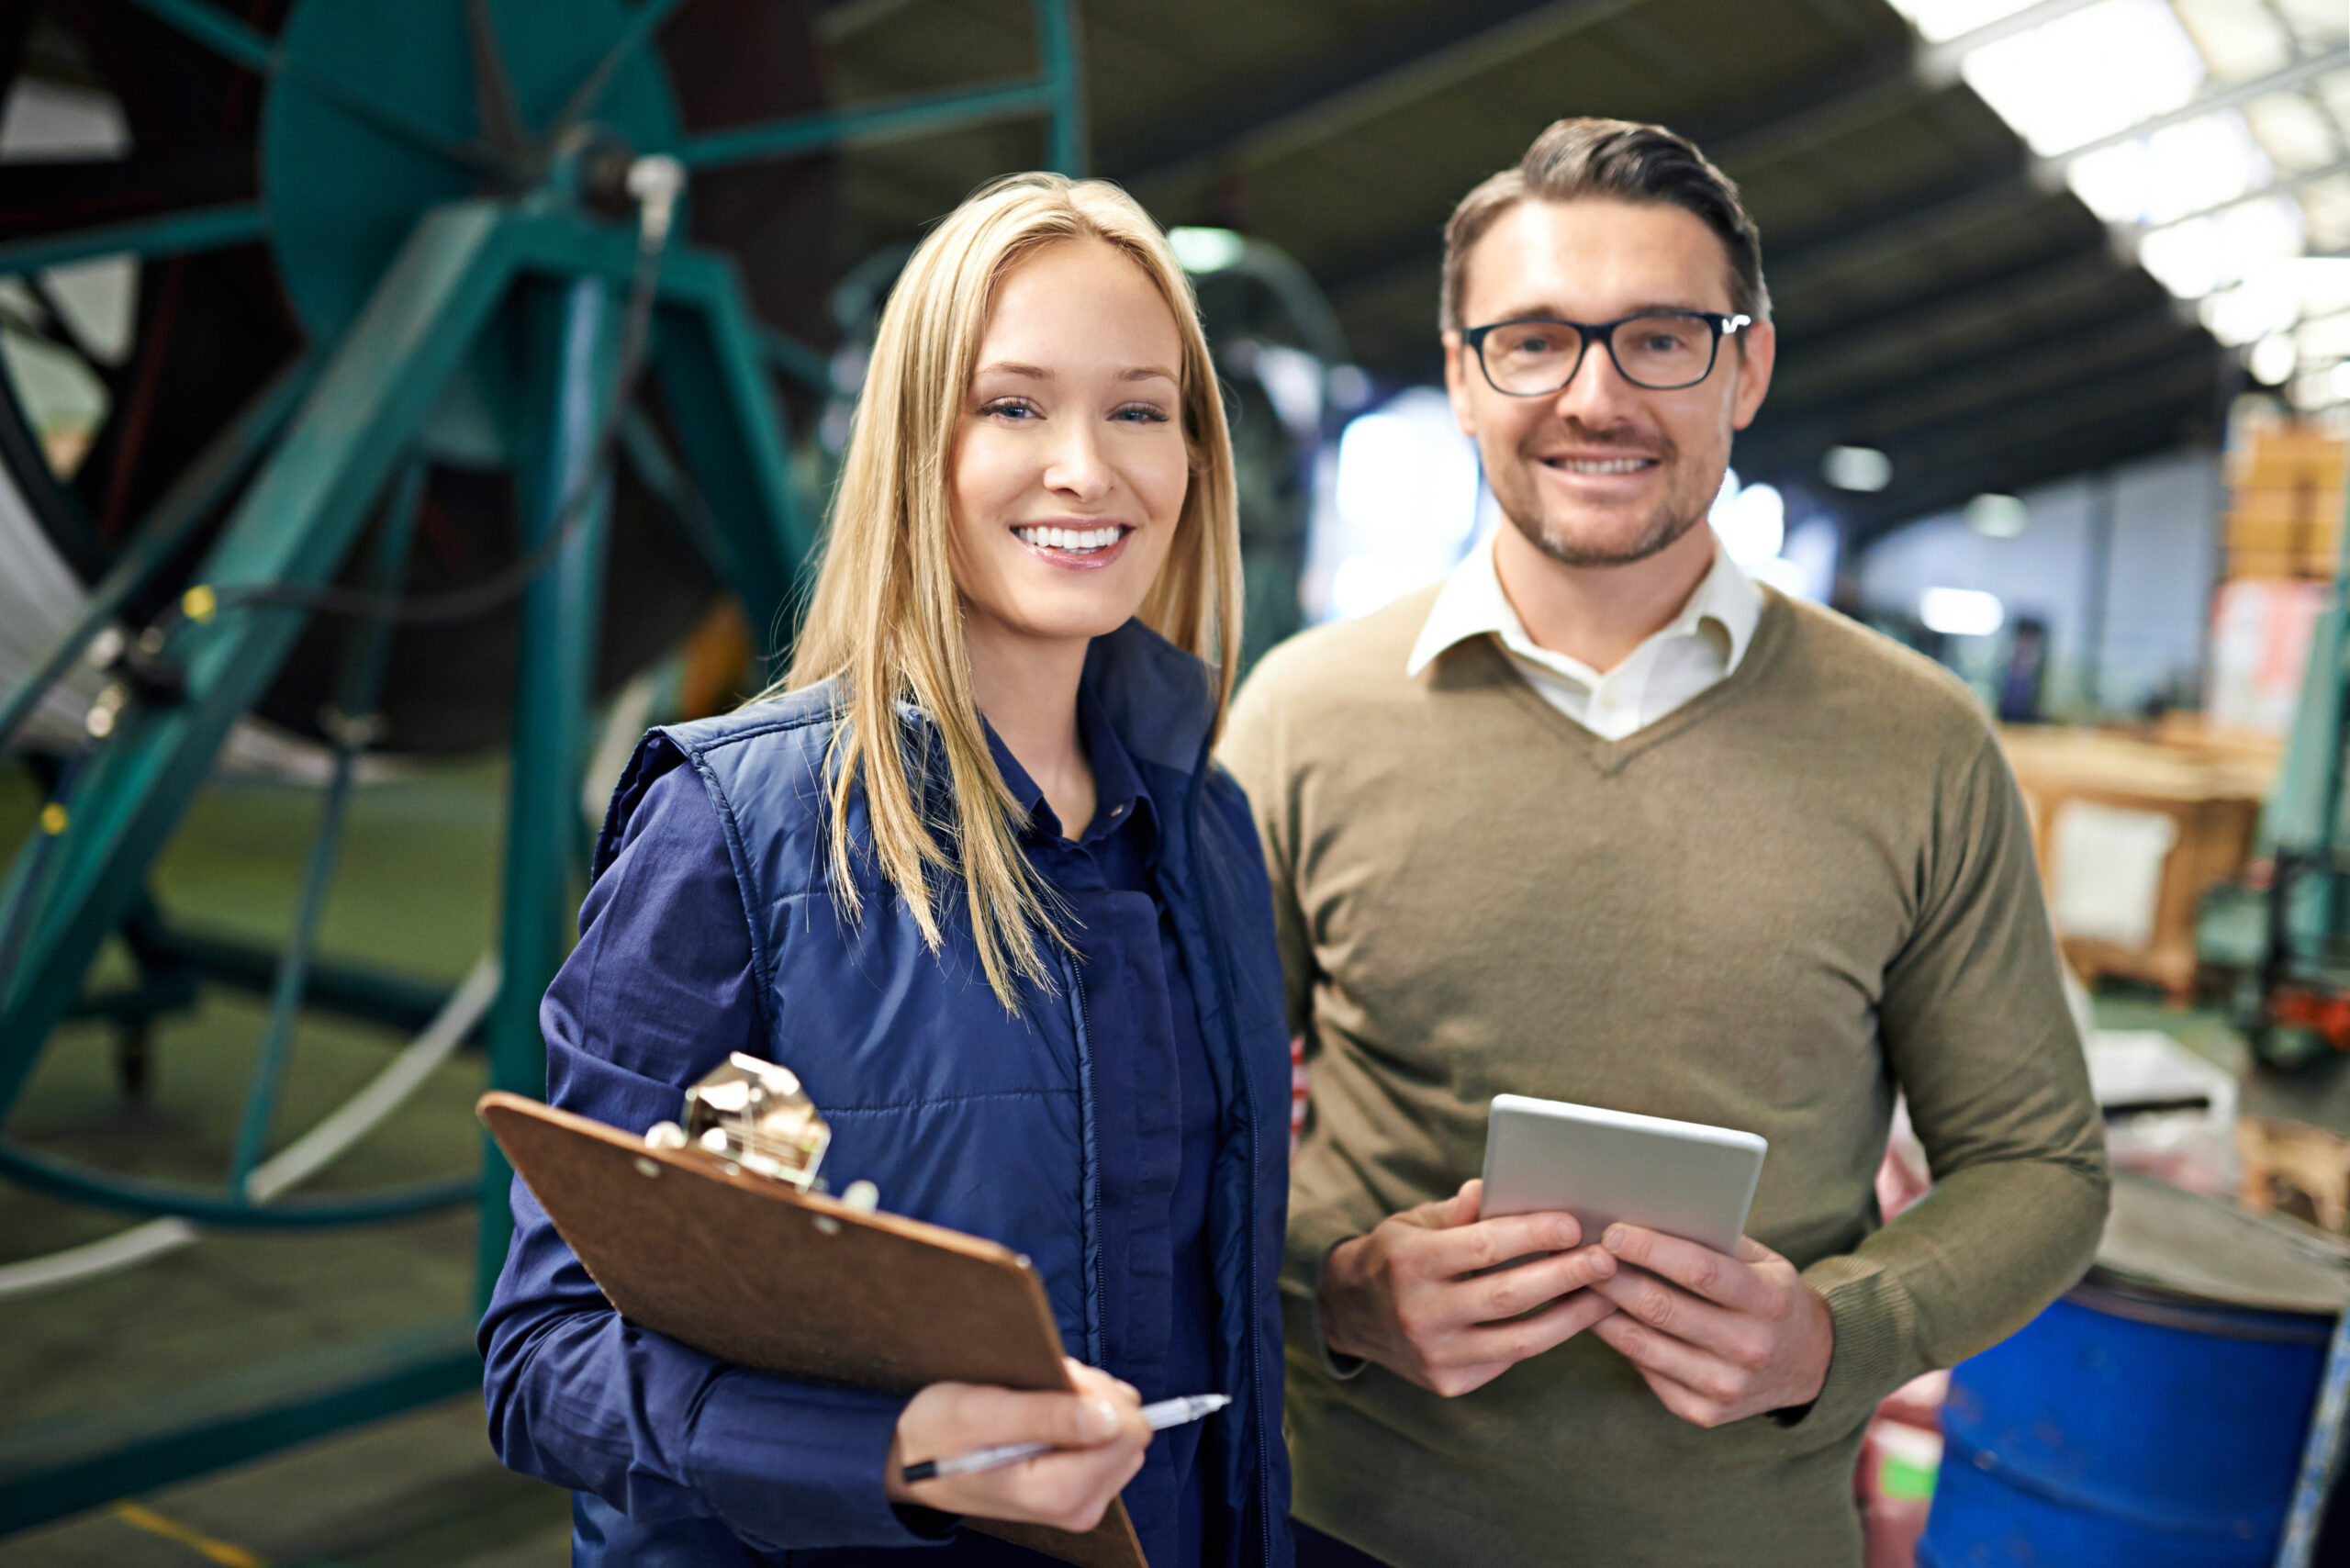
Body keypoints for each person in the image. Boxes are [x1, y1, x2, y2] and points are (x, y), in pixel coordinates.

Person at [1219, 118, 2108, 1568]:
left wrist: (1839, 1334)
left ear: (1746, 369)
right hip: (1344, 1527)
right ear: (1462, 376)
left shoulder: (1923, 746)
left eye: (1661, 340)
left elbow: (2040, 1165)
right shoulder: (1305, 712)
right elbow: (1182, 1117)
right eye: (1533, 342)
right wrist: (1341, 1289)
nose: (1595, 396)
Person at [481, 173, 1295, 1568]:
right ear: (919, 442)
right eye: (1014, 406)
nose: (1086, 469)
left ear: (1193, 456)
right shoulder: (734, 828)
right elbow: (543, 1361)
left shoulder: (1205, 824)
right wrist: (896, 1456)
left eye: (1139, 411)